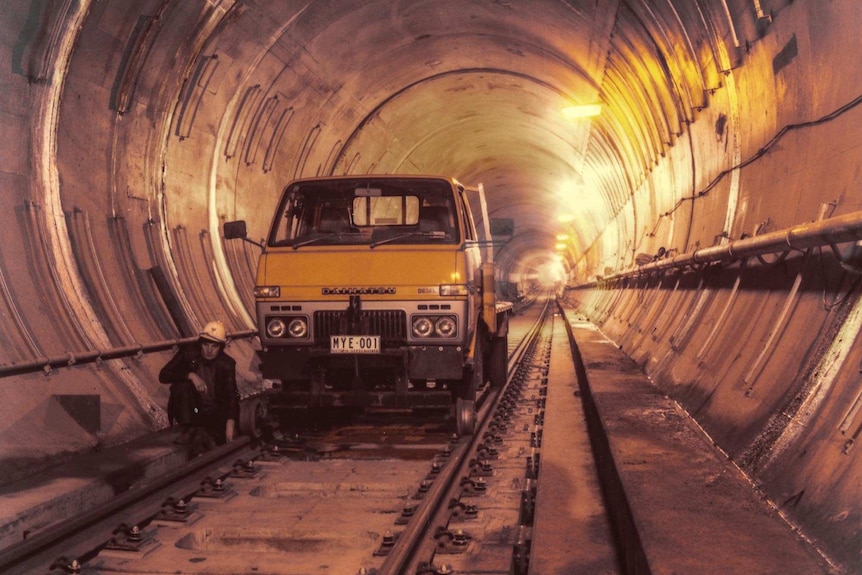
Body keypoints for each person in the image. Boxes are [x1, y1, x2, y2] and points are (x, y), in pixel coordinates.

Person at [160, 320, 239, 451]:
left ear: (220, 347)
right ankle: (190, 429)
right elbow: (163, 375)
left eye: (214, 346)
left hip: (214, 412)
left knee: (217, 434)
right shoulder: (188, 353)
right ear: (200, 344)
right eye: (206, 345)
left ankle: (205, 432)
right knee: (181, 386)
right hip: (195, 410)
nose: (209, 350)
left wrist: (230, 424)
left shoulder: (227, 364)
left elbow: (233, 396)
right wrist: (190, 375)